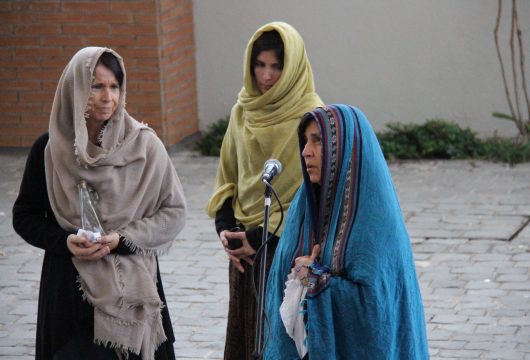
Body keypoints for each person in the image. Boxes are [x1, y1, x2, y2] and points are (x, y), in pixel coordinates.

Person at [12, 47, 187, 360]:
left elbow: (173, 212)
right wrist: (65, 241)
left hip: (132, 289)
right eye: (96, 86)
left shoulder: (144, 145)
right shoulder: (49, 150)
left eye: (114, 86)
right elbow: (25, 217)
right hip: (68, 289)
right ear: (76, 88)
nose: (108, 97)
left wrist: (123, 239)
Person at [264, 104, 429, 359]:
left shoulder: (374, 222)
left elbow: (374, 313)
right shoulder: (305, 208)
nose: (306, 152)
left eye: (317, 141)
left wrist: (312, 277)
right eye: (305, 142)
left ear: (343, 150)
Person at [205, 22, 323, 359]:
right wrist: (226, 231)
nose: (267, 76)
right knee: (245, 336)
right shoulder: (242, 110)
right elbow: (228, 175)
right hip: (242, 252)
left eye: (276, 66)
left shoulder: (311, 114)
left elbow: (312, 193)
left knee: (278, 337)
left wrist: (260, 238)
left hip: (285, 248)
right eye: (260, 65)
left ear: (292, 67)